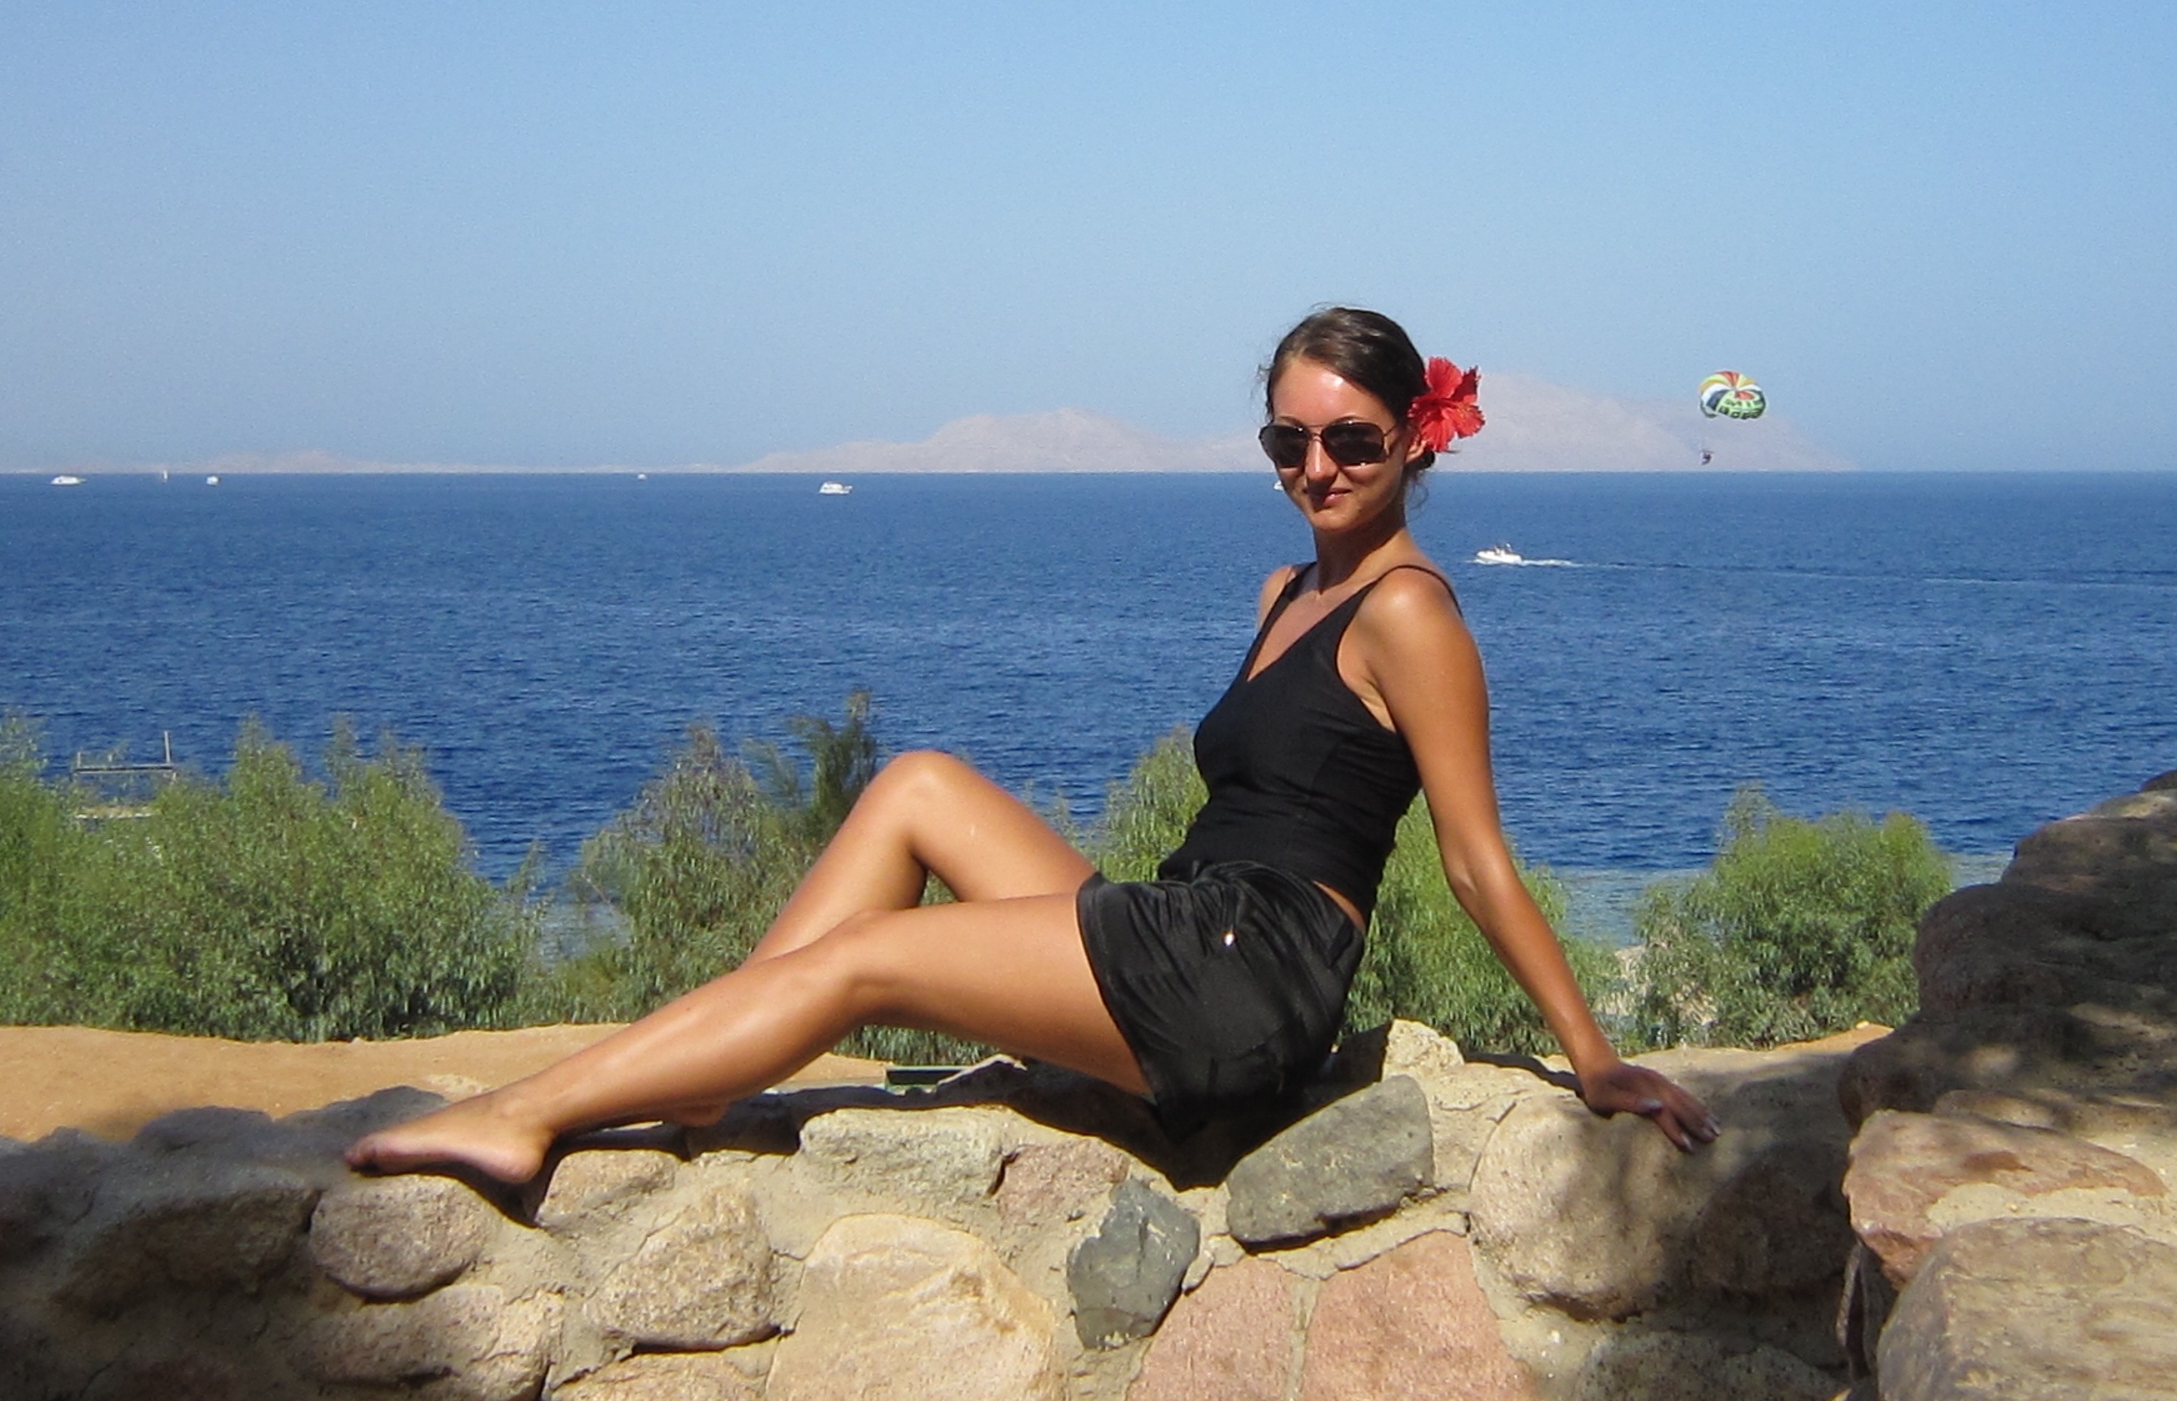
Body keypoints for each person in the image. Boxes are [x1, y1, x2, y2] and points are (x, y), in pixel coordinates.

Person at [347, 308, 1713, 1180]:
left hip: (1252, 979)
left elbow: (1474, 860)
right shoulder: (1287, 592)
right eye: (1287, 439)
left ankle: (529, 1114)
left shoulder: (1412, 613)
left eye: (1351, 439)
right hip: (1189, 926)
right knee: (916, 785)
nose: (1317, 468)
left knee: (869, 957)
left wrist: (1592, 1057)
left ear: (1416, 439)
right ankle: (709, 1073)